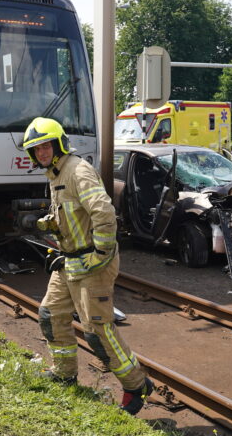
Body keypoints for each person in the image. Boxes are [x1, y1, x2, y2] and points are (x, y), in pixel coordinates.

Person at [22, 117, 154, 416]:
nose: (41, 153)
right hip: (70, 260)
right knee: (50, 314)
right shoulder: (55, 173)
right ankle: (65, 373)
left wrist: (102, 252)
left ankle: (136, 385)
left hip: (92, 263)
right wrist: (51, 229)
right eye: (36, 149)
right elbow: (71, 215)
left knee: (97, 331)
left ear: (58, 145)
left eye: (45, 147)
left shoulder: (77, 170)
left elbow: (104, 212)